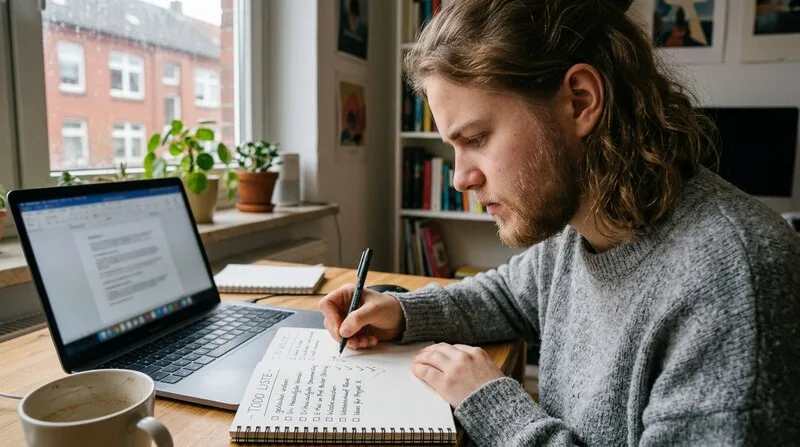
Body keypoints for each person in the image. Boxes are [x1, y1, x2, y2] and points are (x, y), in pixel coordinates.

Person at [319, 0, 800, 445]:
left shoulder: (733, 285)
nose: (461, 177)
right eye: (453, 146)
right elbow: (505, 297)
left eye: (478, 138)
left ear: (580, 101)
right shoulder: (585, 227)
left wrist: (493, 406)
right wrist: (402, 313)